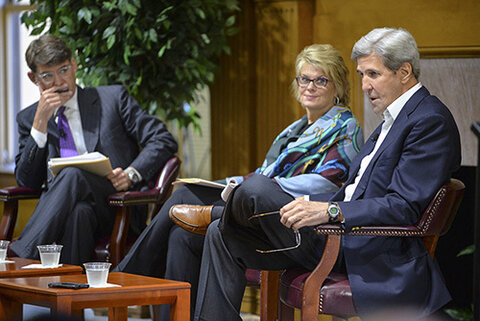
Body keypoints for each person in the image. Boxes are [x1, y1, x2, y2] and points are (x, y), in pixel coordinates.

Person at [193, 27, 461, 321]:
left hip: (359, 245)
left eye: (373, 74)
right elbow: (352, 190)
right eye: (361, 75)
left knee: (255, 187)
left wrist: (330, 211)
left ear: (404, 72)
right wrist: (308, 202)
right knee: (221, 236)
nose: (364, 85)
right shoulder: (394, 119)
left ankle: (216, 211)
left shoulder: (428, 121)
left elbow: (403, 206)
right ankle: (220, 218)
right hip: (335, 235)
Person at [115, 44, 364, 319]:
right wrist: (226, 183)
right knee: (182, 229)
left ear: (338, 86)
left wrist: (266, 186)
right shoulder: (292, 131)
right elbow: (262, 173)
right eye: (304, 79)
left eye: (321, 80)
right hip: (264, 211)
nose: (310, 86)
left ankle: (128, 275)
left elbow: (329, 184)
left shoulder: (346, 127)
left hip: (300, 226)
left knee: (200, 196)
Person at [10, 34, 178, 265]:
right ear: (33, 78)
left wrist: (131, 174)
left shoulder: (113, 99)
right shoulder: (30, 118)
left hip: (117, 205)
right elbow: (26, 182)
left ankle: (19, 256)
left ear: (74, 65)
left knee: (72, 174)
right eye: (48, 76)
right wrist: (40, 124)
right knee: (79, 213)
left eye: (64, 70)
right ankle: (70, 296)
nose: (59, 82)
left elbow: (162, 139)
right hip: (67, 211)